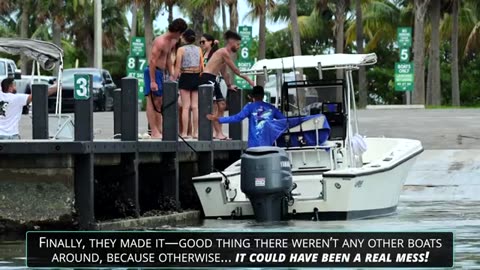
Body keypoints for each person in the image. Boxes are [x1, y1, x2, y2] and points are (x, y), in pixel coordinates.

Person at [199, 30, 255, 140]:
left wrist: (229, 85)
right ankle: (219, 133)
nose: (238, 47)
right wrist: (249, 80)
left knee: (222, 105)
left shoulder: (224, 55)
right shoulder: (223, 52)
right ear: (231, 42)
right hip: (207, 78)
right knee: (215, 107)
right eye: (237, 44)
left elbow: (225, 72)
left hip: (213, 79)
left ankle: (218, 132)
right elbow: (235, 70)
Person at [144, 18, 187, 139]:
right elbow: (152, 61)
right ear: (177, 31)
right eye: (181, 33)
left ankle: (159, 129)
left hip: (161, 72)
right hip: (152, 71)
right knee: (152, 101)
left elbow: (168, 59)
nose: (181, 36)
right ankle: (154, 130)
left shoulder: (172, 41)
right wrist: (152, 80)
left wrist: (172, 74)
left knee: (160, 102)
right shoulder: (160, 41)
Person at [207, 86, 285, 148]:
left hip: (253, 145)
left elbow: (236, 118)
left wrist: (218, 119)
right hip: (268, 144)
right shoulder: (271, 108)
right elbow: (284, 121)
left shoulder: (250, 107)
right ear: (263, 95)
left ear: (253, 96)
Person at [174, 29, 203, 139]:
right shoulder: (199, 49)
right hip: (196, 75)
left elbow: (177, 66)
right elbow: (201, 66)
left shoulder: (181, 49)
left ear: (185, 38)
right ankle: (196, 133)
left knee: (186, 107)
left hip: (185, 75)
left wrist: (174, 78)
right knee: (195, 106)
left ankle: (185, 133)